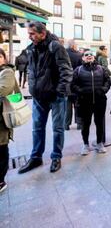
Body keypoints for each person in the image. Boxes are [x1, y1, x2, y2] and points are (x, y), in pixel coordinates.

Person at [18, 21, 72, 174]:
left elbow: (67, 72)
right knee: (37, 128)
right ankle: (36, 157)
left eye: (32, 34)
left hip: (55, 97)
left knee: (58, 128)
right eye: (29, 34)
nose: (30, 37)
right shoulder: (31, 48)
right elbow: (32, 70)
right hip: (38, 97)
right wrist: (32, 88)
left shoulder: (55, 47)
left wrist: (59, 92)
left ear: (42, 33)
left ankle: (56, 157)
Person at [72, 51, 111, 155]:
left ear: (94, 57)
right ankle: (85, 145)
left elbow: (108, 81)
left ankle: (99, 143)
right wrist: (81, 91)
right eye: (86, 55)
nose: (89, 56)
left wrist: (103, 89)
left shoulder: (101, 69)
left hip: (100, 101)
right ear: (83, 58)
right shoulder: (78, 70)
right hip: (84, 101)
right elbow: (73, 84)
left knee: (99, 123)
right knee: (85, 124)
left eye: (91, 54)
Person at [0, 48, 17, 193]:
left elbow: (3, 90)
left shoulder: (7, 72)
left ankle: (1, 180)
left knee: (1, 147)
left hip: (2, 117)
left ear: (4, 58)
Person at [65, 39, 83, 130]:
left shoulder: (63, 54)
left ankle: (66, 124)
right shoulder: (79, 55)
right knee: (77, 104)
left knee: (67, 104)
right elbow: (81, 69)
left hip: (66, 82)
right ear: (73, 45)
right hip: (76, 82)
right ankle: (79, 124)